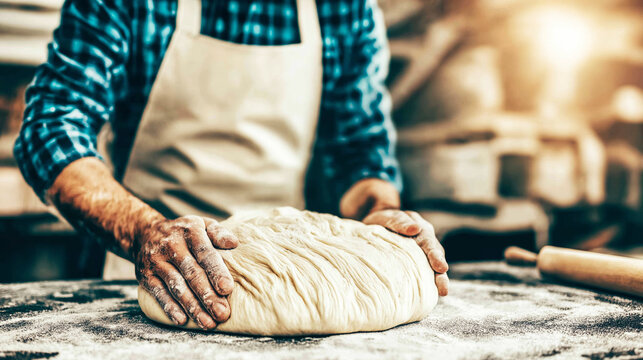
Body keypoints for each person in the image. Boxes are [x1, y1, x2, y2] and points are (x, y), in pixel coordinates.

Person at [14, 0, 449, 330]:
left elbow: (360, 152)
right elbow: (51, 128)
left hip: (290, 264)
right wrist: (145, 232)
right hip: (144, 270)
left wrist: (377, 221)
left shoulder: (342, 8)